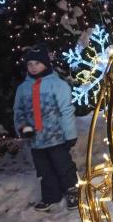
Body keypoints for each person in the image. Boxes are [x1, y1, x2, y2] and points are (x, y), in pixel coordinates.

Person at [13, 45, 78, 212]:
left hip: (57, 138)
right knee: (44, 170)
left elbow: (66, 110)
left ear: (46, 64)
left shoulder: (58, 85)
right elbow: (18, 110)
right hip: (36, 141)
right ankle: (51, 195)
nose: (33, 67)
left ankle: (72, 191)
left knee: (63, 166)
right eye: (30, 64)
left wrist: (70, 134)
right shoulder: (23, 89)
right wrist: (22, 127)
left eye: (37, 63)